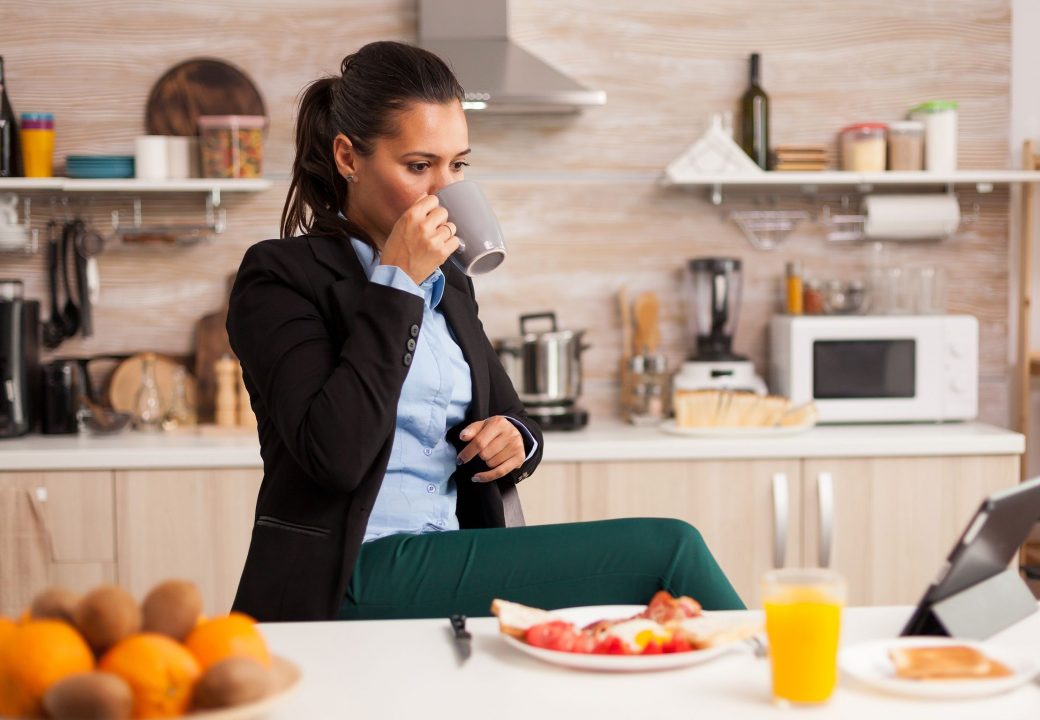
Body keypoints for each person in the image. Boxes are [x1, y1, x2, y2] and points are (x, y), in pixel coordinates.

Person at [226, 40, 744, 622]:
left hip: (445, 553)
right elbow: (335, 457)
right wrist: (396, 283)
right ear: (348, 158)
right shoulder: (280, 276)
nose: (444, 190)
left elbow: (518, 422)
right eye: (419, 166)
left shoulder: (450, 283)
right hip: (345, 570)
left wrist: (514, 439)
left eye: (458, 165)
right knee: (667, 550)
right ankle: (782, 682)